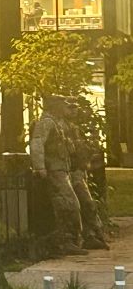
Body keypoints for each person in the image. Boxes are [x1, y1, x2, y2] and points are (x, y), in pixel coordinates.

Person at [29, 95, 87, 256]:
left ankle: (69, 240)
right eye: (63, 104)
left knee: (69, 204)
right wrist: (40, 167)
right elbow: (37, 142)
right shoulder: (47, 122)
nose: (65, 107)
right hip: (54, 171)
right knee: (69, 204)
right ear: (54, 106)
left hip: (62, 169)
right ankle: (65, 241)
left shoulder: (58, 123)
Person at [63, 98, 108, 250]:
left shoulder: (73, 127)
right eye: (70, 108)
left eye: (75, 108)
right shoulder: (57, 126)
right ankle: (73, 238)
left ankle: (91, 235)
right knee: (72, 205)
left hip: (78, 171)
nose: (74, 111)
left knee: (88, 204)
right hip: (67, 171)